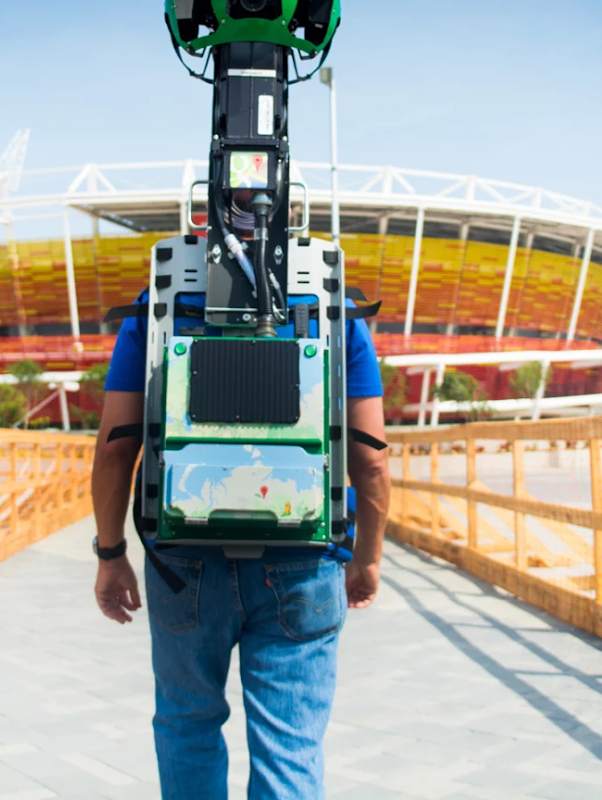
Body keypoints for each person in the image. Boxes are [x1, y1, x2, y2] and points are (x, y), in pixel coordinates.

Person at [89, 289, 391, 800]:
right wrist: (368, 558)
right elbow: (373, 462)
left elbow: (117, 448)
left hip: (184, 557)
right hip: (304, 559)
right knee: (290, 747)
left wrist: (111, 555)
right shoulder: (332, 298)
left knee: (188, 724)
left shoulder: (164, 295)